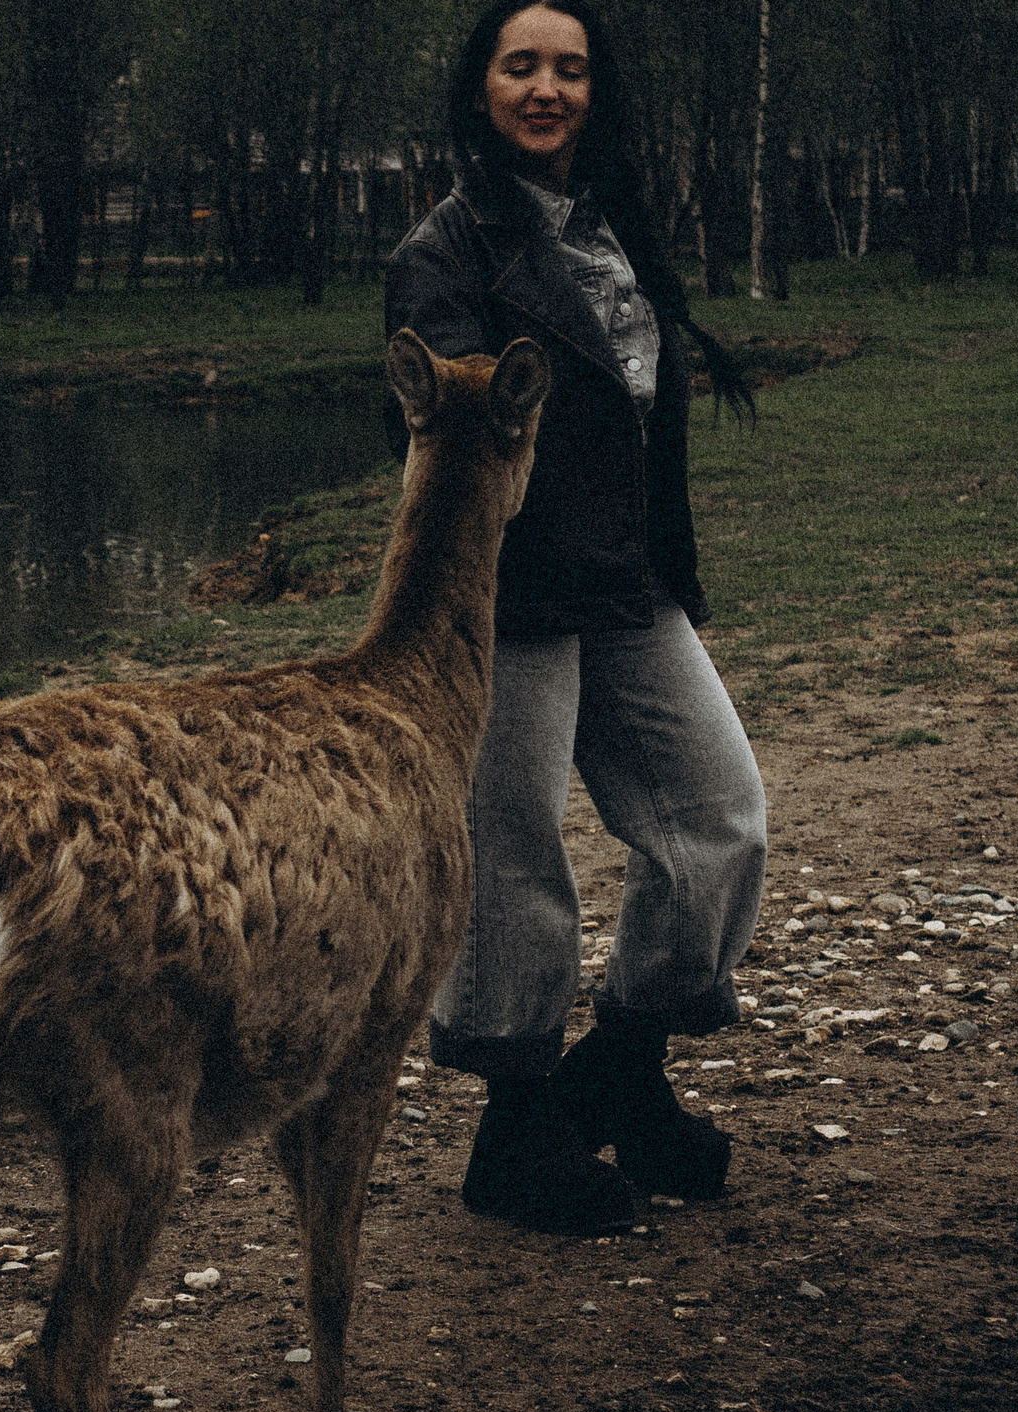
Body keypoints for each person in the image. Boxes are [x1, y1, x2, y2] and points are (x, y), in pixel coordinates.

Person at [383, 0, 770, 1234]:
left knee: (718, 824)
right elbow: (452, 429)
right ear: (479, 88)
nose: (546, 89)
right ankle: (514, 1129)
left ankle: (623, 1068)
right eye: (520, 67)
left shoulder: (610, 228)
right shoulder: (445, 253)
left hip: (630, 586)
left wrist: (663, 557)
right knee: (511, 859)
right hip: (512, 593)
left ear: (594, 91)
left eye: (570, 69)